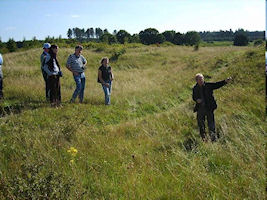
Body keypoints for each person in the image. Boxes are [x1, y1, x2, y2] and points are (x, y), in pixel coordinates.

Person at [192, 73, 231, 142]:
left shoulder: (208, 85)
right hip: (200, 109)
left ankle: (213, 139)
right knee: (201, 124)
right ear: (196, 80)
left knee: (211, 124)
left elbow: (216, 85)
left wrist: (225, 81)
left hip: (209, 108)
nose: (201, 80)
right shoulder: (195, 88)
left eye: (202, 79)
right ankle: (203, 138)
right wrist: (197, 100)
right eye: (200, 79)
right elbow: (194, 97)